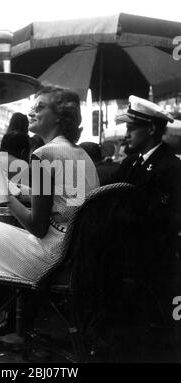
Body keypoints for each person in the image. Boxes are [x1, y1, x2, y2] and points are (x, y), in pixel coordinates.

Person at [0, 85, 100, 362]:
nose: (32, 111)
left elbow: (36, 226)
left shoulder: (43, 154)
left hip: (50, 257)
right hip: (75, 258)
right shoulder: (79, 154)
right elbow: (63, 198)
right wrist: (20, 189)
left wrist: (5, 194)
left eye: (41, 107)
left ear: (60, 117)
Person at [112, 95, 181, 360]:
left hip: (151, 267)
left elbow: (160, 222)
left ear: (151, 129)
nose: (126, 134)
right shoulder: (131, 163)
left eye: (131, 128)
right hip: (126, 262)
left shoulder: (171, 167)